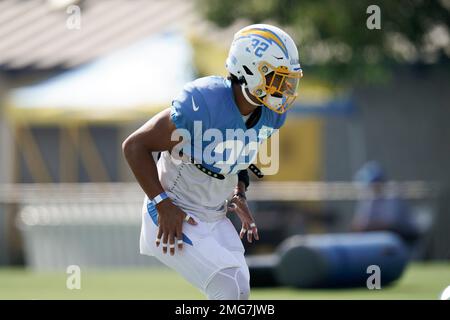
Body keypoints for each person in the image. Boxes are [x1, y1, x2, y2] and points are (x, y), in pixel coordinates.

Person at [122, 24, 303, 300]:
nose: (285, 88)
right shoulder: (204, 103)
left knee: (240, 290)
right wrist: (162, 202)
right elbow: (135, 146)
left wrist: (238, 192)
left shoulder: (269, 115)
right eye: (278, 79)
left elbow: (237, 155)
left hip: (214, 215)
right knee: (227, 286)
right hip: (175, 213)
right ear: (252, 71)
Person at [351, 161, 420, 245]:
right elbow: (360, 223)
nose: (372, 187)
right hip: (386, 233)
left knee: (388, 232)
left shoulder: (393, 194)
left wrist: (366, 227)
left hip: (405, 235)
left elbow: (389, 223)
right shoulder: (369, 196)